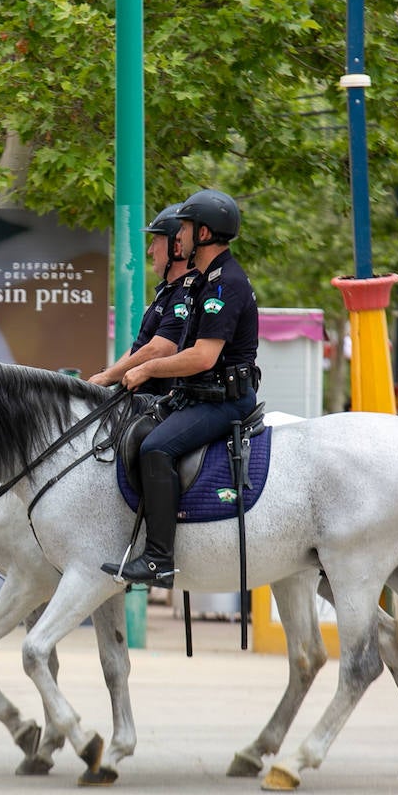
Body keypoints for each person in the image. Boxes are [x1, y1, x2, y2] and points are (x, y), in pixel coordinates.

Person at [104, 188, 259, 587]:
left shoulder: (226, 284)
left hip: (226, 401)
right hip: (198, 395)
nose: (179, 236)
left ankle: (159, 558)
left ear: (203, 234)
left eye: (186, 228)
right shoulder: (204, 281)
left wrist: (148, 368)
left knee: (156, 448)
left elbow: (204, 356)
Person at [88, 203, 191, 394]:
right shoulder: (168, 291)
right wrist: (110, 376)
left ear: (176, 247)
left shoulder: (185, 295)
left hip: (157, 401)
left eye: (155, 241)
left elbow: (158, 350)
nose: (150, 251)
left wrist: (107, 377)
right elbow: (141, 347)